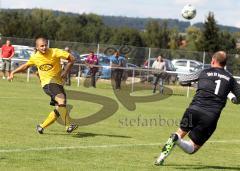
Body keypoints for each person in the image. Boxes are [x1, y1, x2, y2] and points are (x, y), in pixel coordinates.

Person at [154, 51, 240, 166]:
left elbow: (183, 80)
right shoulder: (230, 78)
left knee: (179, 132)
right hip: (210, 116)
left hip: (193, 109)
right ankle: (177, 140)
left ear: (213, 61)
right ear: (225, 64)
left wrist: (194, 83)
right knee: (192, 148)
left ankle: (161, 157)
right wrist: (232, 97)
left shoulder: (203, 72)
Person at [8, 37, 78, 134]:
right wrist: (13, 72)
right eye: (41, 46)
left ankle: (41, 127)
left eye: (45, 45)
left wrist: (65, 72)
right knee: (61, 100)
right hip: (48, 83)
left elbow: (72, 58)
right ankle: (68, 125)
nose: (44, 47)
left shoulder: (55, 52)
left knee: (60, 108)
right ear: (37, 47)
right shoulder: (35, 57)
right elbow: (25, 66)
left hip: (58, 83)